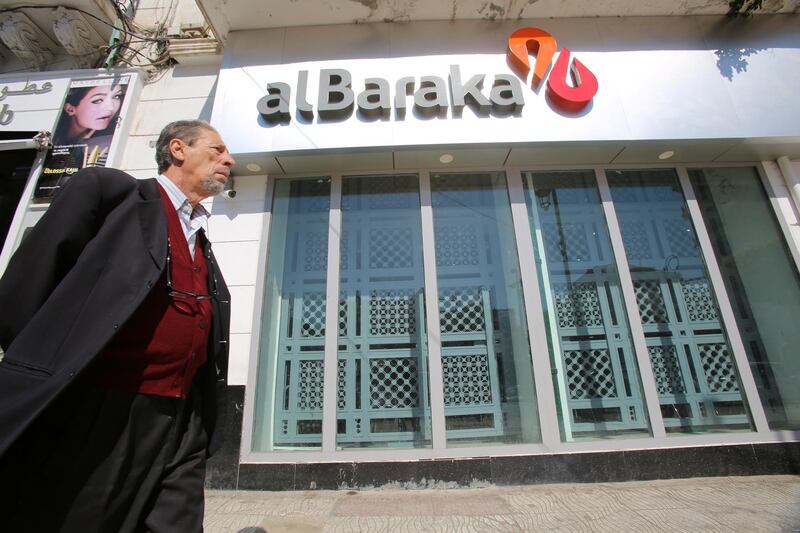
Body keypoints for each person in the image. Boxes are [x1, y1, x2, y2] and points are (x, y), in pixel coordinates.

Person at [0, 119, 236, 532]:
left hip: (183, 413)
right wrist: (40, 367)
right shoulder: (115, 199)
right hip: (111, 408)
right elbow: (31, 280)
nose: (228, 160)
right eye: (216, 150)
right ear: (178, 149)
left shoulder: (199, 235)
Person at [55, 82, 127, 167]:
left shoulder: (111, 139)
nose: (111, 107)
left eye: (116, 96)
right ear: (70, 109)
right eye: (98, 100)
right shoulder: (55, 137)